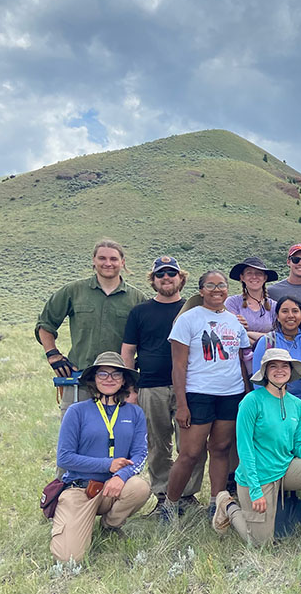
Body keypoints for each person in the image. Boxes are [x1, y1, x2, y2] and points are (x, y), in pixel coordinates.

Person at [213, 349, 301, 552]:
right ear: (264, 372)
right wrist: (255, 490)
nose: (279, 370)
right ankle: (228, 505)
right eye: (273, 366)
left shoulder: (297, 405)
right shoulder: (251, 402)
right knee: (260, 545)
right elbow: (244, 450)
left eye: (284, 366)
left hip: (285, 467)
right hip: (257, 475)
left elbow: (299, 445)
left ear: (291, 371)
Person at [160, 271, 250, 523]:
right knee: (190, 453)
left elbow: (240, 362)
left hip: (230, 394)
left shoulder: (234, 322)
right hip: (199, 393)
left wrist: (244, 393)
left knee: (221, 449)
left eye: (221, 285)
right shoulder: (188, 319)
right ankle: (170, 504)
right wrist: (182, 404)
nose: (216, 289)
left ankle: (216, 503)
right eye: (210, 285)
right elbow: (178, 365)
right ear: (200, 291)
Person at [120, 256, 205, 510]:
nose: (166, 278)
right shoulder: (140, 312)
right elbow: (127, 351)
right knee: (157, 444)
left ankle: (187, 495)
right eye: (160, 274)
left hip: (191, 387)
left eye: (171, 273)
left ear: (181, 278)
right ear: (153, 280)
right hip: (150, 385)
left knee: (193, 445)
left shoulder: (194, 311)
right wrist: (130, 389)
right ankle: (162, 496)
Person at [50, 352, 151, 562]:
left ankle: (110, 525)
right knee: (69, 559)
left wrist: (120, 476)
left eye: (116, 374)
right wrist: (109, 465)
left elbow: (140, 454)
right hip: (80, 488)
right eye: (102, 374)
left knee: (140, 487)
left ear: (124, 380)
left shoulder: (135, 413)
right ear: (94, 379)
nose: (109, 379)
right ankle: (71, 520)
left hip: (114, 488)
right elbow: (64, 458)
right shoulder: (76, 411)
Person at [36, 240, 146, 416]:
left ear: (122, 262)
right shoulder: (73, 291)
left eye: (113, 259)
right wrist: (53, 355)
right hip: (80, 379)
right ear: (94, 260)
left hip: (120, 383)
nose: (108, 263)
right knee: (75, 435)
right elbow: (45, 324)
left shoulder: (137, 298)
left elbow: (147, 339)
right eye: (102, 258)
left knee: (119, 438)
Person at [251, 296, 301, 404]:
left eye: (295, 311)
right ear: (277, 316)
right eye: (285, 311)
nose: (290, 315)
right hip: (272, 403)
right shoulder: (267, 342)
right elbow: (257, 382)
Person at [225, 255, 279, 349]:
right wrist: (264, 339)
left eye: (258, 273)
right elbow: (230, 334)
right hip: (239, 358)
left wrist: (247, 334)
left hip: (267, 359)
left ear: (265, 278)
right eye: (249, 273)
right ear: (242, 277)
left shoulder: (274, 306)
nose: (254, 277)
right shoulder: (232, 303)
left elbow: (278, 338)